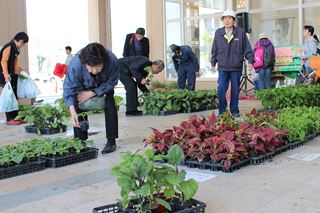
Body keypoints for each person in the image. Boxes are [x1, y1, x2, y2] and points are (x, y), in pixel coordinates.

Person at [63, 43, 119, 154]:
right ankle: (81, 141)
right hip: (83, 86)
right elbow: (69, 88)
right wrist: (72, 111)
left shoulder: (112, 60)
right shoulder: (76, 63)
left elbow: (112, 81)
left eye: (97, 67)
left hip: (103, 85)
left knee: (110, 103)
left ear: (103, 62)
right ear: (85, 64)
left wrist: (93, 93)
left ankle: (111, 141)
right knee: (77, 102)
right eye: (90, 67)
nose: (94, 71)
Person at [210, 10, 254, 118]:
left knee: (235, 90)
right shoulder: (218, 32)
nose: (227, 20)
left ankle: (234, 110)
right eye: (225, 18)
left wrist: (250, 60)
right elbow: (214, 48)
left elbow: (246, 47)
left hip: (236, 67)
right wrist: (213, 62)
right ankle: (222, 111)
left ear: (234, 20)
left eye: (229, 18)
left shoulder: (240, 32)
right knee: (221, 89)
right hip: (222, 67)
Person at [0, 32, 29, 125]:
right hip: (7, 75)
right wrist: (5, 74)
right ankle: (9, 119)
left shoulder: (15, 48)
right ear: (20, 41)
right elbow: (3, 61)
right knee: (9, 97)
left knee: (14, 97)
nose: (23, 45)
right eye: (23, 43)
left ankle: (16, 117)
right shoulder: (9, 46)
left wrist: (18, 69)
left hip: (13, 75)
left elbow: (15, 61)